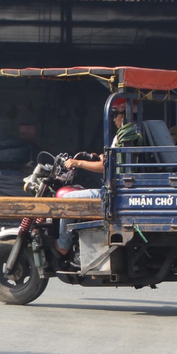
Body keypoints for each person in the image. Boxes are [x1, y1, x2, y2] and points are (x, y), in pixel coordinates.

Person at [54, 98, 141, 256]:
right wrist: (103, 158)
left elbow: (105, 168)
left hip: (115, 193)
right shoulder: (137, 132)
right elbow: (114, 163)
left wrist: (77, 163)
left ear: (123, 115)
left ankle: (63, 244)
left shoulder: (124, 136)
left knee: (67, 200)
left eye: (116, 115)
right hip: (123, 188)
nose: (114, 119)